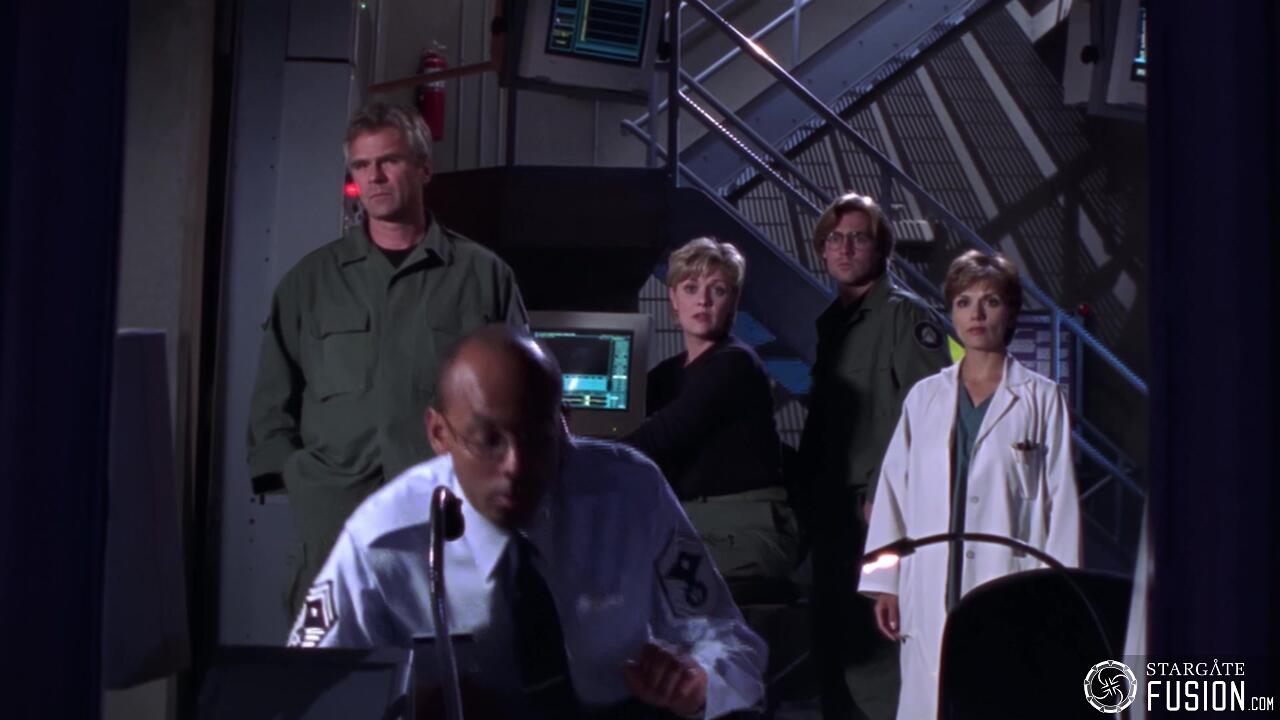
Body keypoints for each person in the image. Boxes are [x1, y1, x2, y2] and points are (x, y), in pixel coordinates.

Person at [287, 325, 767, 719]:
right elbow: (307, 690)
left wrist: (700, 684)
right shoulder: (382, 537)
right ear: (438, 433)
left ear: (564, 423)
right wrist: (405, 703)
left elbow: (730, 640)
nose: (516, 465)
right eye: (488, 440)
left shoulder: (631, 493)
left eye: (537, 437)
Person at [247, 102, 528, 613]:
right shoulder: (310, 284)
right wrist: (305, 482)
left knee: (447, 655)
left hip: (446, 522)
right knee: (338, 659)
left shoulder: (482, 277)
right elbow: (272, 403)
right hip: (336, 527)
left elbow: (521, 397)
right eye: (361, 165)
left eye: (389, 161)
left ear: (423, 168)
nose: (374, 177)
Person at [859, 250, 1081, 719]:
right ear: (952, 313)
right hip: (928, 584)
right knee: (929, 702)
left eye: (990, 301)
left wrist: (1061, 596)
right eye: (964, 302)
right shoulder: (925, 397)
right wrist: (886, 583)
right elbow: (893, 493)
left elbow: (1061, 503)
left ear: (1011, 313)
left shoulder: (1042, 399)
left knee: (999, 698)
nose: (976, 314)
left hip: (1011, 583)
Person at [795, 192, 951, 719]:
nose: (845, 248)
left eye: (859, 238)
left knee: (879, 664)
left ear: (882, 249)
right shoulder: (831, 325)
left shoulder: (904, 317)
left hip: (879, 520)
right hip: (832, 519)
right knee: (835, 656)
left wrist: (890, 501)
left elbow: (932, 420)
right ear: (822, 250)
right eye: (835, 239)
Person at [624, 237, 798, 600]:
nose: (703, 300)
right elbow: (628, 409)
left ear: (733, 300)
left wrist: (577, 459)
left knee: (628, 568)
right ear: (674, 298)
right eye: (691, 288)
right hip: (697, 520)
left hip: (748, 530)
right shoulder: (673, 371)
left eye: (717, 290)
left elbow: (659, 436)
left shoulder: (734, 363)